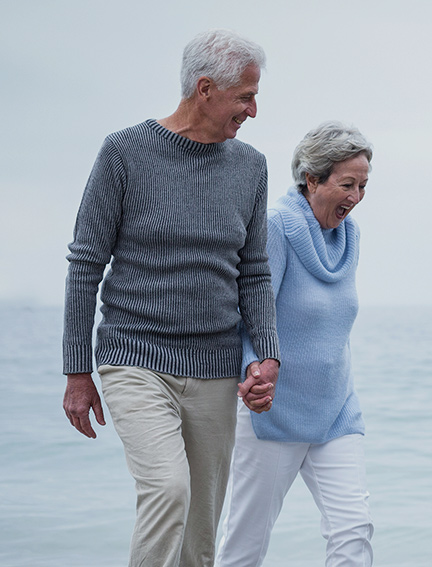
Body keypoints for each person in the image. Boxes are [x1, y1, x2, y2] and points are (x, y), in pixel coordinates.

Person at [59, 29, 279, 567]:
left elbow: (253, 271)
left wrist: (267, 355)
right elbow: (86, 261)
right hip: (135, 356)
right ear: (205, 89)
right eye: (245, 96)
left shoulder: (250, 167)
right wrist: (76, 370)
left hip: (215, 366)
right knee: (167, 491)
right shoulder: (125, 153)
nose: (254, 109)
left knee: (201, 531)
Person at [216, 122, 376, 566]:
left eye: (363, 185)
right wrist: (254, 370)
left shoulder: (350, 236)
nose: (356, 197)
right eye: (347, 184)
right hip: (273, 410)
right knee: (246, 544)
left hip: (336, 408)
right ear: (312, 179)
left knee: (354, 529)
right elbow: (250, 313)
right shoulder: (276, 228)